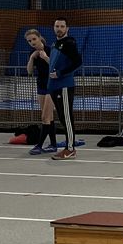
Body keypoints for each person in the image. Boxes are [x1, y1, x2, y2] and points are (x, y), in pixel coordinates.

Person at [47, 17, 83, 160]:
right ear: (53, 28)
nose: (59, 29)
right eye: (57, 26)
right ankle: (69, 147)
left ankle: (70, 149)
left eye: (62, 26)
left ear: (67, 28)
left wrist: (60, 73)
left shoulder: (69, 43)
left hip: (64, 86)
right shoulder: (55, 43)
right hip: (54, 86)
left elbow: (78, 62)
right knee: (62, 117)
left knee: (67, 118)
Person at [24, 28, 57, 154]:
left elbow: (56, 67)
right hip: (41, 86)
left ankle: (39, 145)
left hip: (52, 85)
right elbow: (29, 71)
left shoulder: (50, 50)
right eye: (29, 41)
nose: (32, 42)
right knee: (49, 116)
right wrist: (32, 58)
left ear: (39, 38)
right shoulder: (32, 53)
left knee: (45, 117)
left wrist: (46, 58)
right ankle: (53, 144)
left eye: (34, 39)